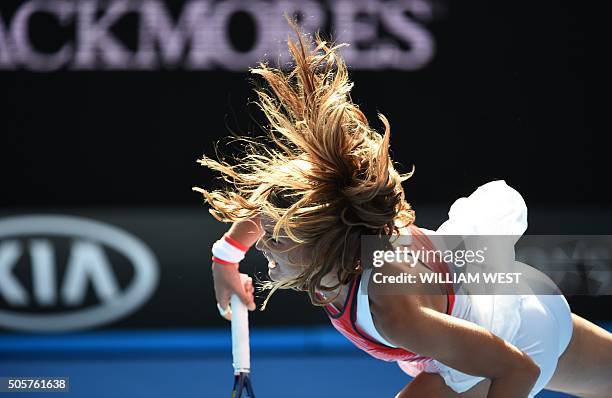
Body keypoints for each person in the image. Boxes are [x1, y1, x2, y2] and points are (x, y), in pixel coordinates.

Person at [194, 24, 612, 398]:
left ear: (324, 241)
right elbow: (263, 216)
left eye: (280, 236)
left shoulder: (393, 312)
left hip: (512, 339)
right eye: (271, 229)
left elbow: (519, 369)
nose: (265, 239)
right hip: (516, 293)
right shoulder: (335, 237)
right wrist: (225, 260)